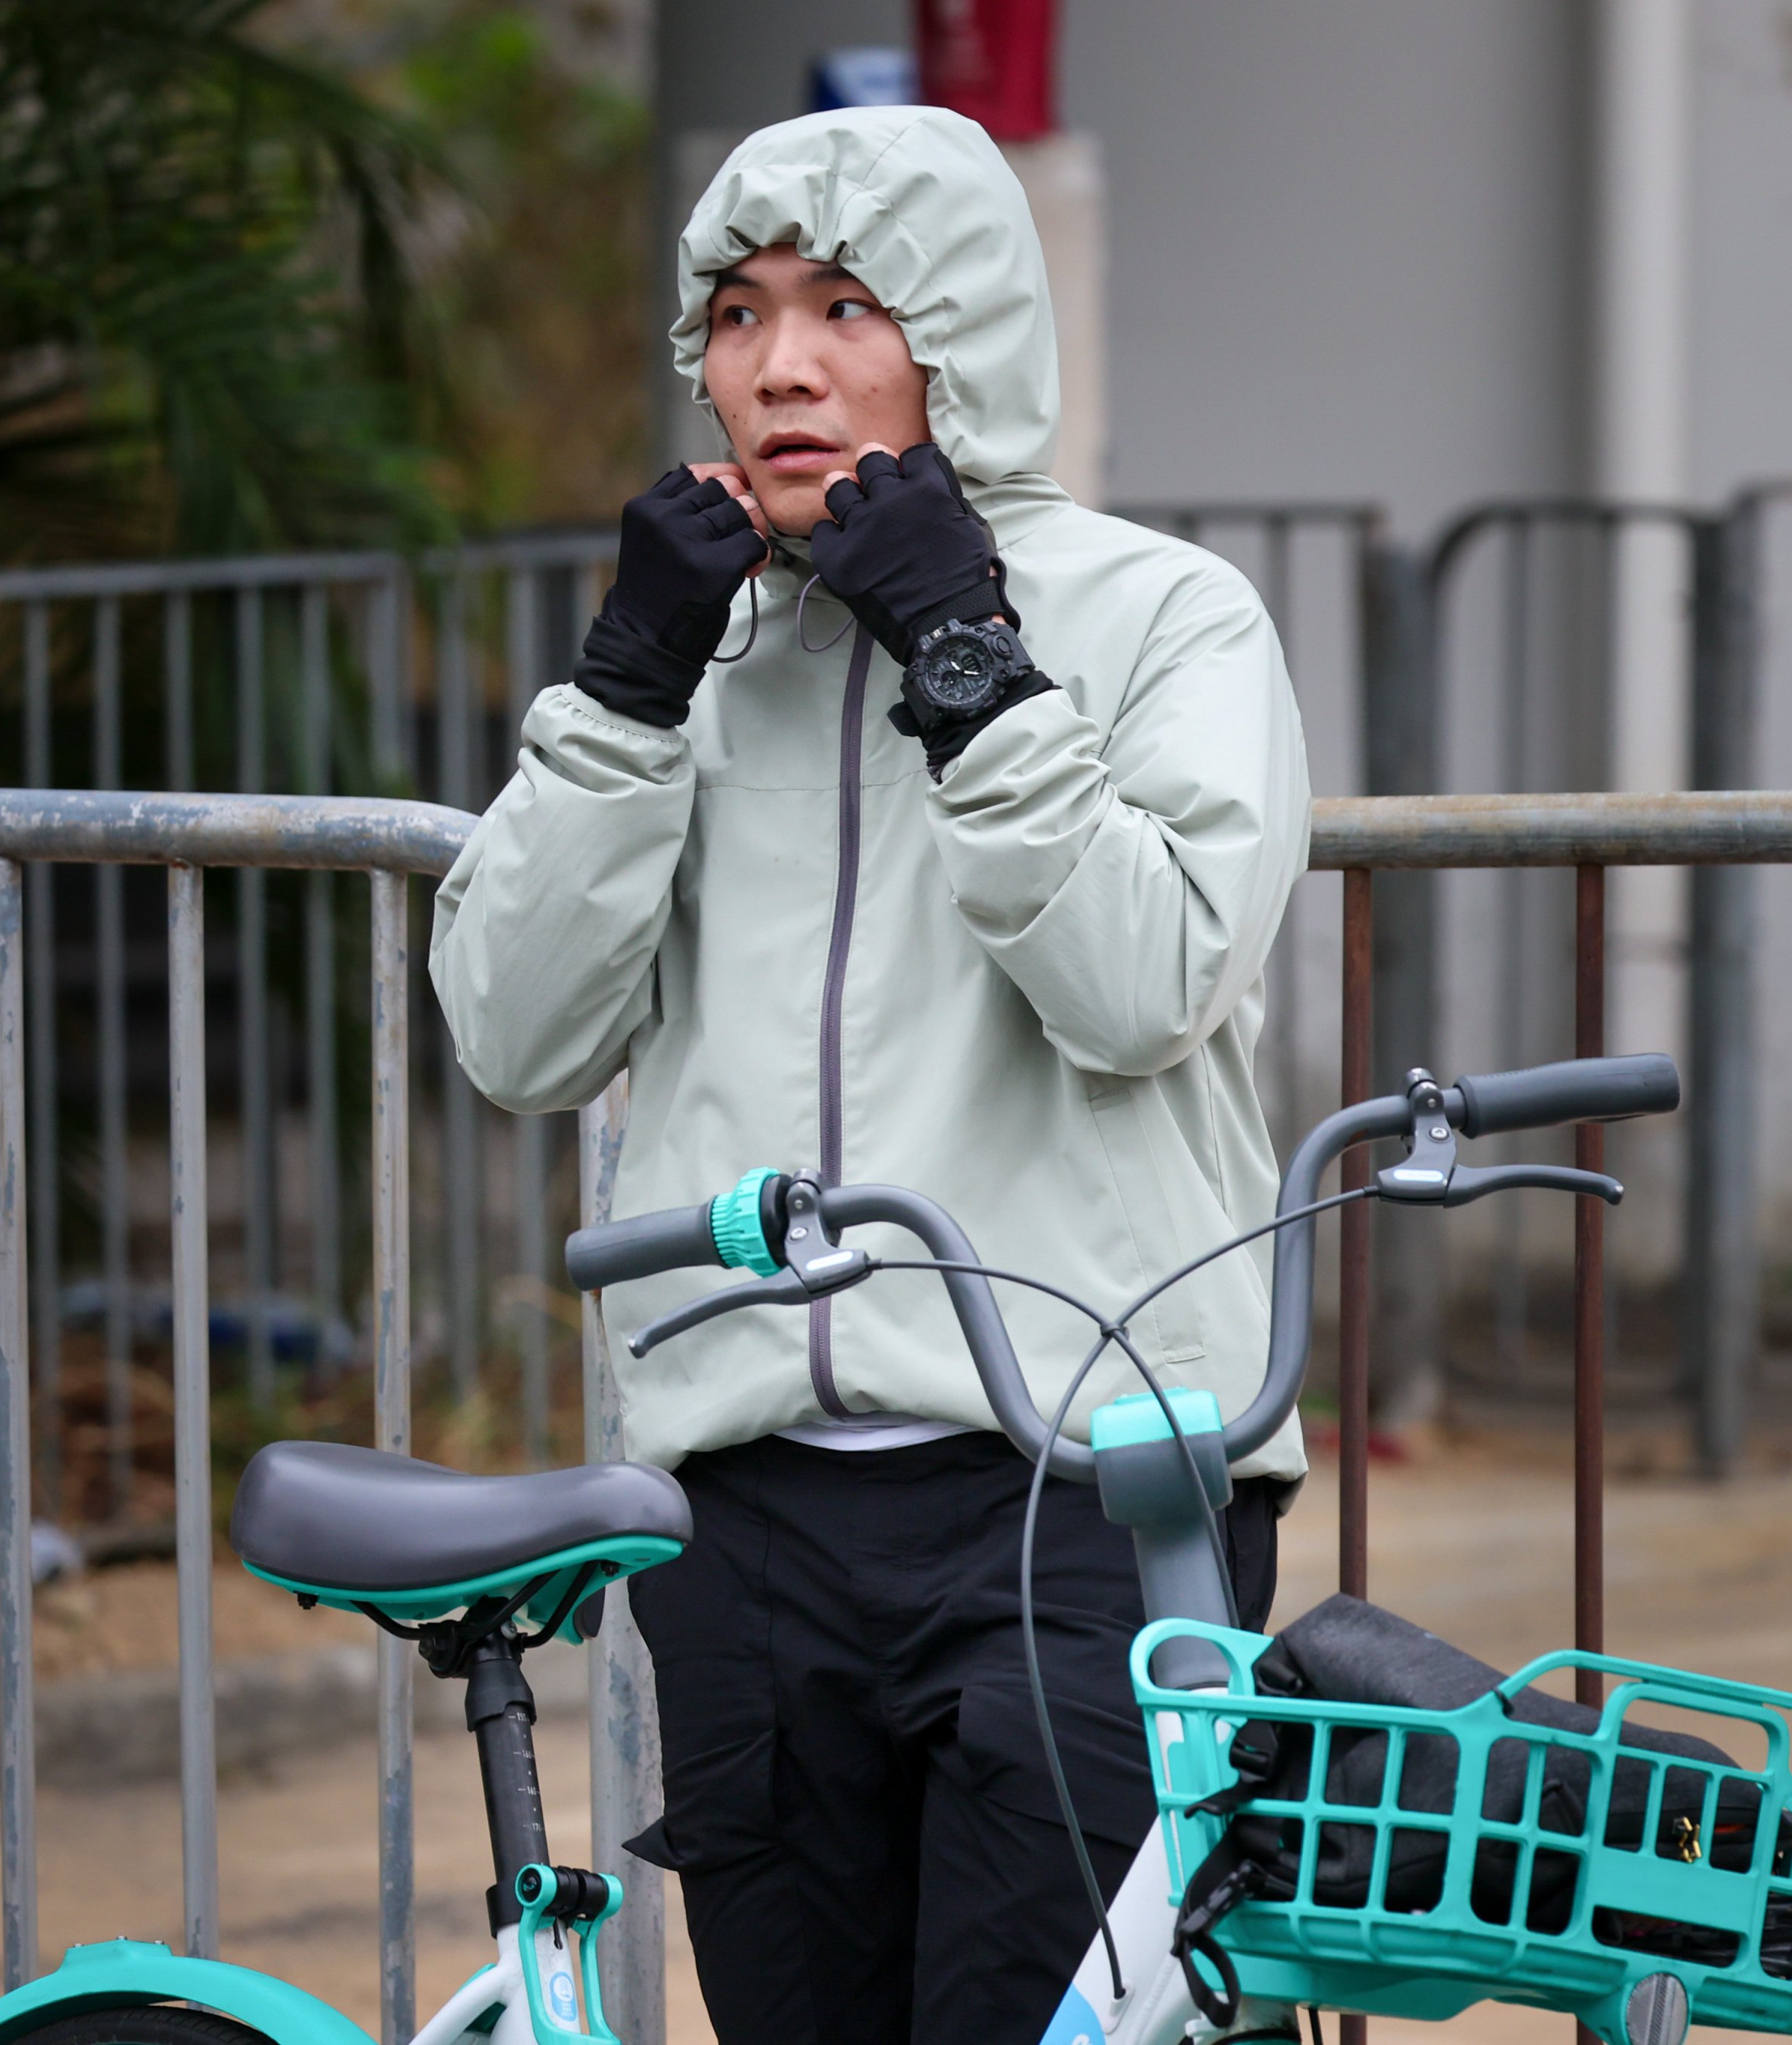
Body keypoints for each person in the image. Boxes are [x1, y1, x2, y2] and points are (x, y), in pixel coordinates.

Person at [430, 105, 1310, 2044]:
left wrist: (969, 658)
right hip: (744, 1510)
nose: (784, 363)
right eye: (737, 314)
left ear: (964, 333)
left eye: (847, 304)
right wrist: (625, 693)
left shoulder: (1164, 617)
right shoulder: (704, 650)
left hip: (1082, 1483)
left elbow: (1143, 978)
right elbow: (513, 1028)